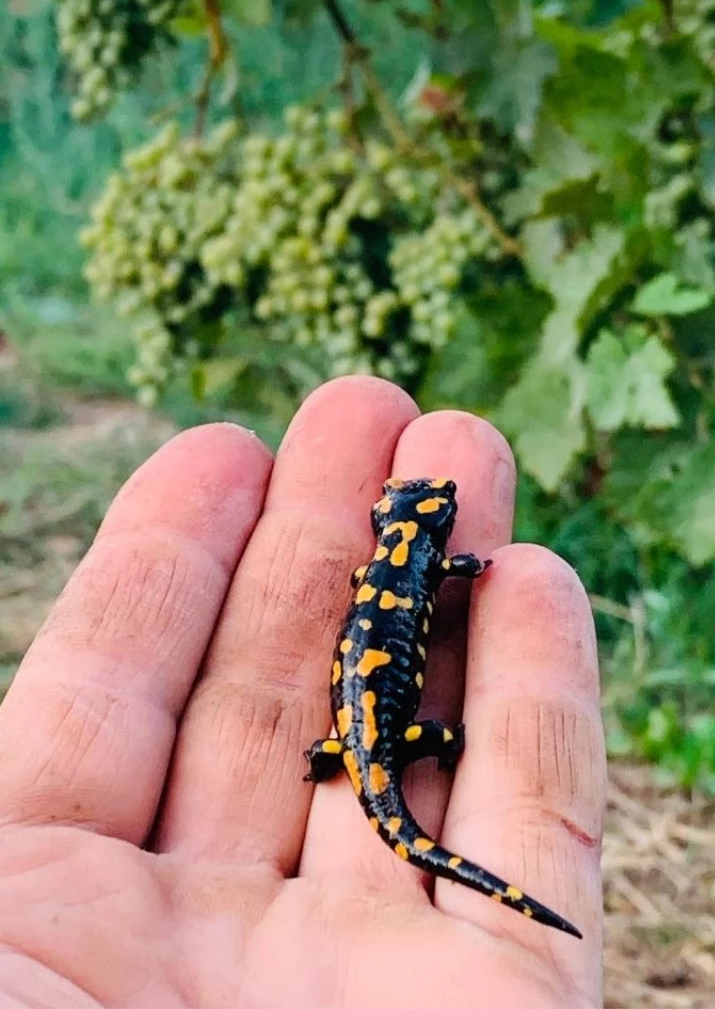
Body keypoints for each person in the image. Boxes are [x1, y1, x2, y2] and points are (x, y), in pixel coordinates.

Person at [0, 376, 605, 1008]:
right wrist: (472, 569)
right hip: (362, 739)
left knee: (401, 750)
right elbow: (453, 567)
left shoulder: (375, 568)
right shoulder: (429, 562)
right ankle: (426, 750)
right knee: (412, 755)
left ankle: (402, 751)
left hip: (352, 743)